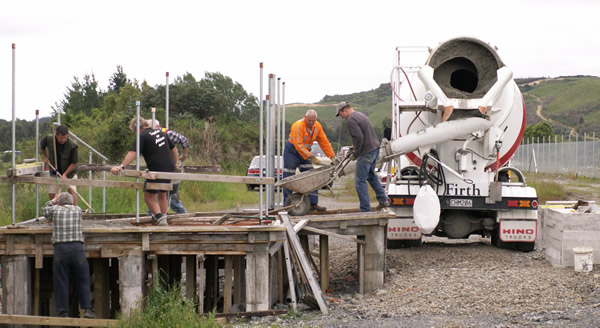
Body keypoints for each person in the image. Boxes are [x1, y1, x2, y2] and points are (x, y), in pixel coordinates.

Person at [111, 117, 178, 226]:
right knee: (162, 194)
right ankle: (164, 217)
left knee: (149, 197)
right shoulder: (161, 133)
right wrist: (175, 164)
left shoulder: (142, 136)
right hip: (169, 168)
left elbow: (133, 152)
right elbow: (174, 149)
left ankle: (161, 220)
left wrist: (122, 166)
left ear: (136, 129)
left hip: (156, 169)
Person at [42, 192, 95, 318]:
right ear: (72, 202)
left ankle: (63, 311)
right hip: (77, 248)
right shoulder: (78, 210)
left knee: (61, 280)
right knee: (83, 278)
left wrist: (53, 200)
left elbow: (44, 210)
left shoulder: (55, 210)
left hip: (60, 249)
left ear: (59, 203)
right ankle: (87, 309)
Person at [336, 101, 390, 212]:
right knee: (371, 176)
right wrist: (354, 145)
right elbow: (362, 135)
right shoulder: (360, 115)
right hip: (375, 149)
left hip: (366, 152)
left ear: (344, 110)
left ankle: (365, 209)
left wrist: (356, 152)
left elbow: (359, 137)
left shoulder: (351, 119)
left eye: (341, 114)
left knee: (360, 181)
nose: (341, 117)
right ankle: (383, 200)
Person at [283, 109, 336, 211]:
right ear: (305, 117)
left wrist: (331, 155)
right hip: (292, 152)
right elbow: (298, 145)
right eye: (309, 121)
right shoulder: (298, 125)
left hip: (305, 153)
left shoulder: (317, 126)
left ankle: (313, 204)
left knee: (312, 176)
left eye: (313, 121)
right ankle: (287, 206)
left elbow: (323, 141)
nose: (311, 123)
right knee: (288, 179)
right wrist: (311, 157)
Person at [147, 119, 189, 214]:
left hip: (169, 168)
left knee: (168, 194)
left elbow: (184, 140)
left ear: (157, 127)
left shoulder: (168, 134)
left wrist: (183, 156)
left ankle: (182, 215)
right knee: (157, 193)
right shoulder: (151, 135)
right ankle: (153, 214)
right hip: (159, 167)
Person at [40, 124, 79, 206]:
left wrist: (65, 174)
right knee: (52, 193)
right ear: (56, 135)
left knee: (72, 191)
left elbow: (74, 162)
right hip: (55, 171)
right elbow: (42, 145)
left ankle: (75, 210)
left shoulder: (72, 145)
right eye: (61, 138)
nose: (63, 140)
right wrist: (45, 156)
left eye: (65, 137)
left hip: (69, 173)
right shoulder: (50, 139)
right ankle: (57, 210)